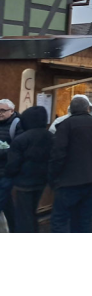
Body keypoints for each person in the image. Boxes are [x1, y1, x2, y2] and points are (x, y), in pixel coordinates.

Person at [49, 97, 92, 233]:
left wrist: (54, 176)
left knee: (60, 220)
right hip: (90, 181)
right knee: (84, 221)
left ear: (70, 110)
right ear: (88, 109)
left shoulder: (65, 125)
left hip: (67, 182)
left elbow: (58, 153)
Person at [4, 106, 52, 233]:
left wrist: (9, 175)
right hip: (42, 180)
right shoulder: (50, 136)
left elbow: (13, 164)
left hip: (23, 183)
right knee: (32, 212)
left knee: (23, 216)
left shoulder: (21, 139)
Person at [0, 98, 23, 233]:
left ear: (12, 111)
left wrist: (3, 152)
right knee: (7, 204)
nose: (0, 113)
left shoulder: (17, 124)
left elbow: (18, 149)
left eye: (3, 110)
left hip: (7, 171)